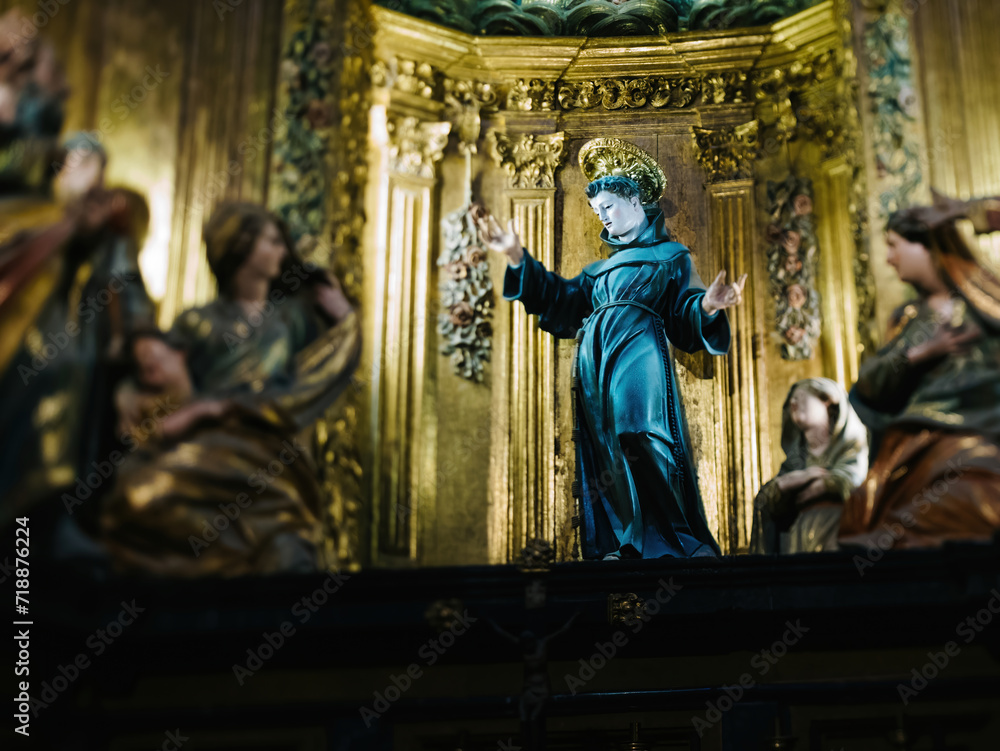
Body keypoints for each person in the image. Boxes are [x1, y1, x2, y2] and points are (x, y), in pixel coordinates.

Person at [477, 149, 746, 560]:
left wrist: (707, 306)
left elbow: (682, 313)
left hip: (639, 350)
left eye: (608, 206)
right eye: (595, 209)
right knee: (609, 447)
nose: (601, 215)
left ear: (635, 200)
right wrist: (516, 254)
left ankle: (675, 538)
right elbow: (559, 298)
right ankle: (630, 540)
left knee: (639, 432)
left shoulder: (672, 258)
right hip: (595, 362)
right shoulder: (596, 273)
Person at [101, 202, 361, 575]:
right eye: (271, 242)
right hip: (204, 443)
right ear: (241, 248)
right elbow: (155, 372)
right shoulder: (197, 322)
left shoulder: (293, 319)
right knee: (139, 496)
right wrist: (127, 392)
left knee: (284, 543)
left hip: (268, 449)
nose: (282, 252)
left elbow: (323, 369)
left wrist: (346, 320)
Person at [839, 205, 1000, 549]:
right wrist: (920, 354)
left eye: (894, 245)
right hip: (918, 443)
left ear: (924, 245)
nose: (889, 258)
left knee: (967, 492)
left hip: (977, 436)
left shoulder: (982, 304)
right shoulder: (915, 318)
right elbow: (869, 386)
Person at [750, 378, 868, 554]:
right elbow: (766, 504)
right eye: (791, 400)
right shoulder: (795, 461)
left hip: (841, 542)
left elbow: (862, 488)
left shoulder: (855, 448)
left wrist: (826, 485)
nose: (793, 403)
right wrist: (788, 482)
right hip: (797, 545)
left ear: (829, 400)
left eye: (801, 397)